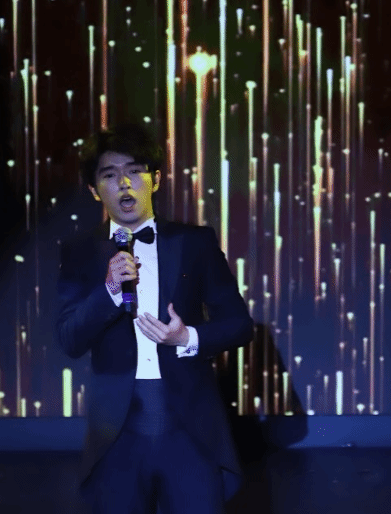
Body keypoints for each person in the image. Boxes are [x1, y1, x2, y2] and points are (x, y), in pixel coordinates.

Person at [56, 122, 254, 513]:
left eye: (134, 171)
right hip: (117, 432)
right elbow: (69, 339)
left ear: (156, 179)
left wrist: (187, 338)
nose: (123, 184)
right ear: (95, 190)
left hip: (189, 427)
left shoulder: (194, 242)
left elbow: (239, 325)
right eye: (109, 175)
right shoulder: (79, 252)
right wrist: (109, 292)